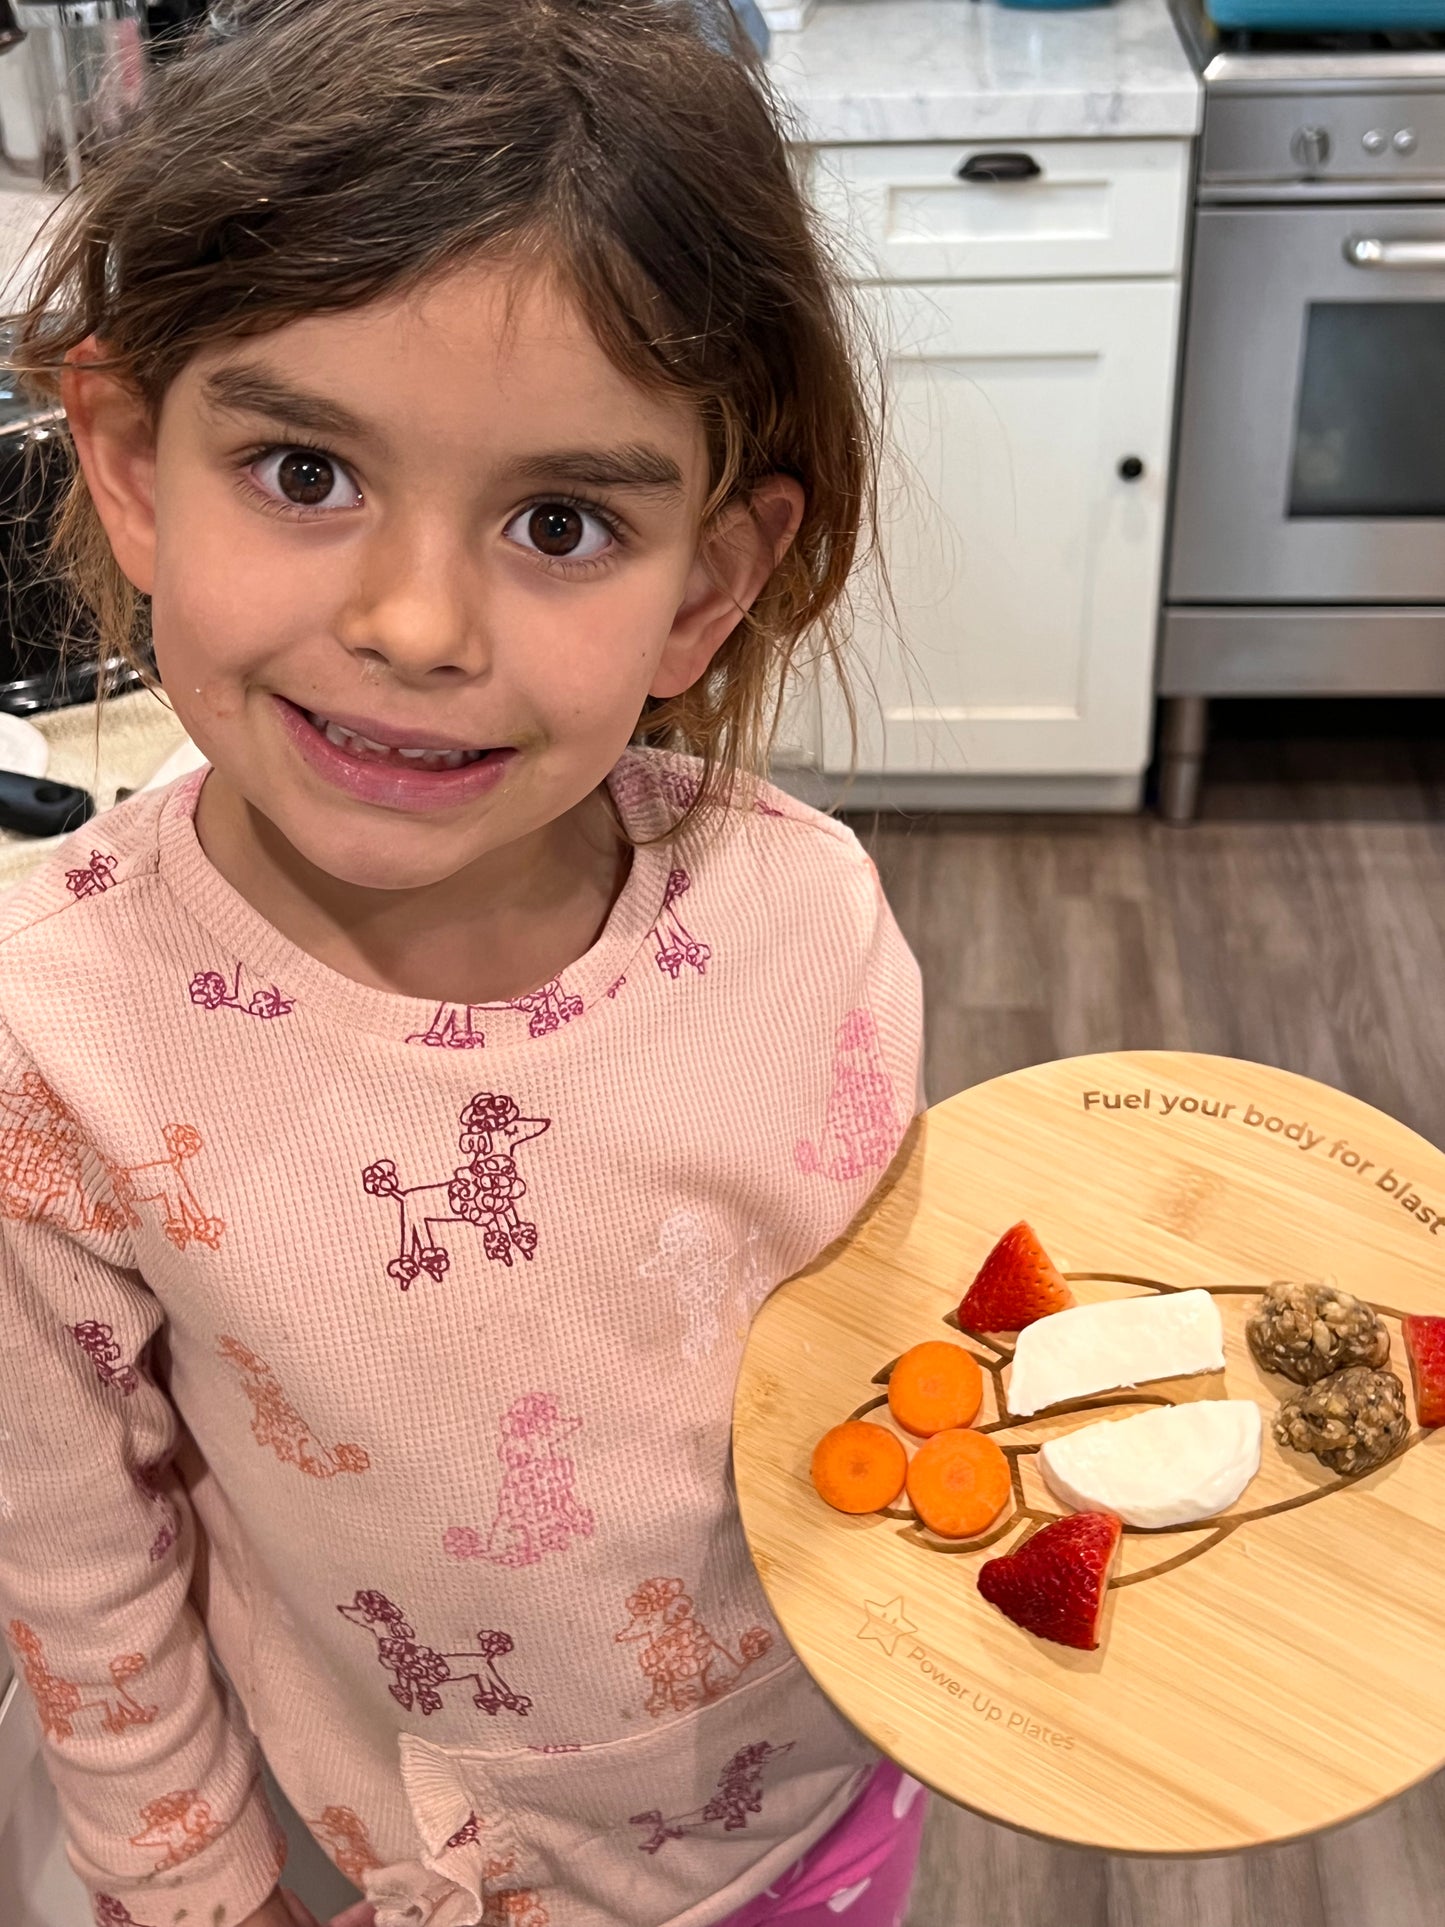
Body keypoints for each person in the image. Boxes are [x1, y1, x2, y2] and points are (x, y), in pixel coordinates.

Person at [0, 3, 927, 1925]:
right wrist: (193, 1894)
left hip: (826, 1804)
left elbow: (885, 1360)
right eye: (305, 474)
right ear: (128, 459)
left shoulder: (801, 907)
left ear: (706, 585)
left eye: (560, 522)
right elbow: (79, 1551)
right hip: (395, 1869)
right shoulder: (48, 1036)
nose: (417, 625)